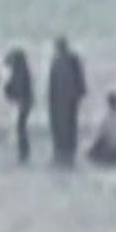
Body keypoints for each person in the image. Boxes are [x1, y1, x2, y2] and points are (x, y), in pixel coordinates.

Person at [47, 37, 88, 166]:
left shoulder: (70, 60)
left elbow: (79, 79)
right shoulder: (59, 61)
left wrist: (80, 93)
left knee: (68, 124)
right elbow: (52, 84)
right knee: (62, 124)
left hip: (69, 98)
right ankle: (63, 148)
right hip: (62, 98)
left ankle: (67, 149)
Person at [2, 49, 34, 163]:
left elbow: (17, 87)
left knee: (21, 127)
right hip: (26, 101)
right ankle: (24, 151)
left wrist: (9, 91)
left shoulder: (19, 71)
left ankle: (24, 152)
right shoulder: (23, 69)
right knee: (21, 126)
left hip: (23, 102)